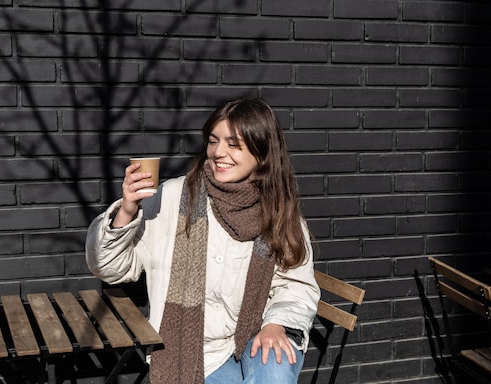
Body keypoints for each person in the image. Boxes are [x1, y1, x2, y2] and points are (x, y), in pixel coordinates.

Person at [85, 98, 320, 384]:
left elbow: (297, 285)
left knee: (276, 374)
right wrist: (126, 211)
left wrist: (277, 324)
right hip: (195, 353)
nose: (218, 152)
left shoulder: (281, 212)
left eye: (234, 144)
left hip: (259, 336)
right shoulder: (171, 198)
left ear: (262, 151)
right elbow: (109, 268)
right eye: (213, 141)